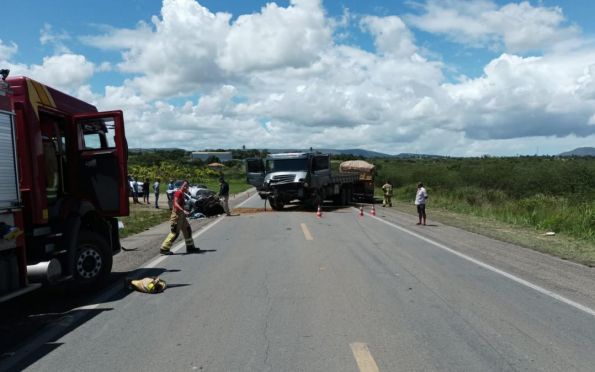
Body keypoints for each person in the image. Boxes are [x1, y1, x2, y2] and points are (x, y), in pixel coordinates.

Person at [160, 180, 199, 254]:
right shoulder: (178, 193)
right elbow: (175, 203)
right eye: (184, 185)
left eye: (187, 186)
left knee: (187, 230)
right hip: (177, 216)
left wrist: (185, 211)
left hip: (182, 216)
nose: (186, 187)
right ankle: (164, 249)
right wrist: (183, 210)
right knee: (175, 233)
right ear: (181, 186)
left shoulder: (183, 193)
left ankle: (190, 247)